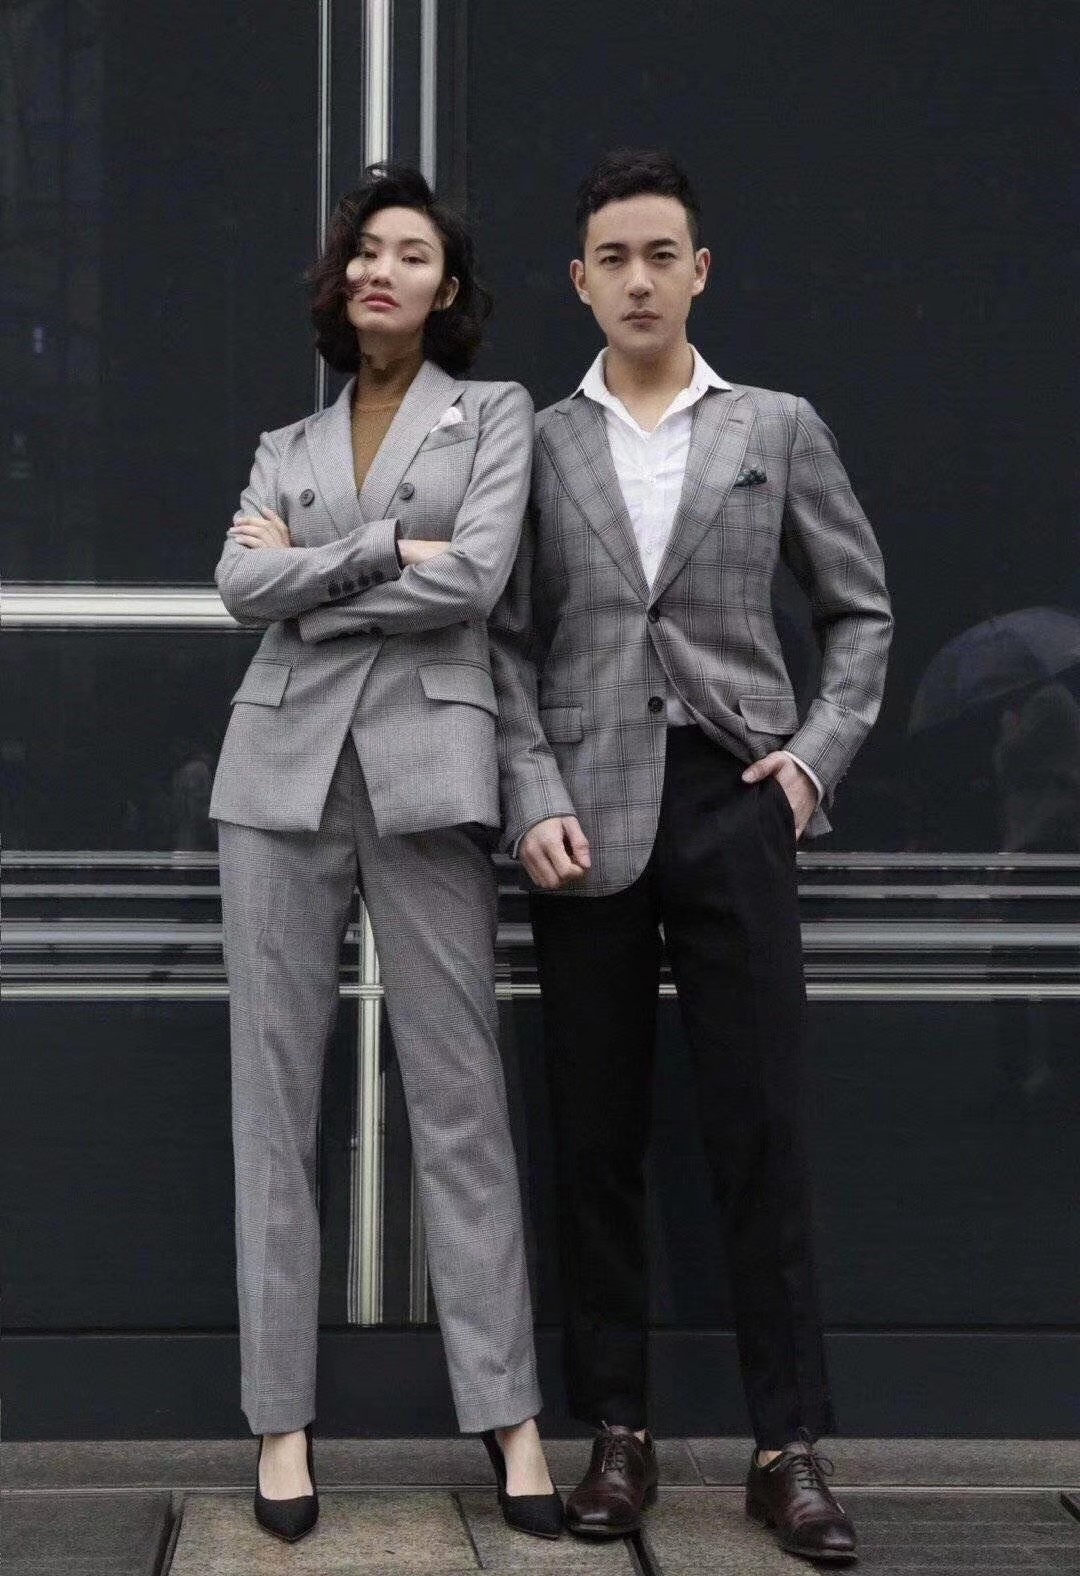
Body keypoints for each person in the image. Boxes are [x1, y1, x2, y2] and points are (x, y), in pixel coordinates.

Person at [489, 148, 893, 1565]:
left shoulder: (776, 426)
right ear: (581, 280)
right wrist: (530, 792)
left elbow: (860, 613)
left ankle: (790, 1448)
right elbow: (505, 641)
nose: (641, 279)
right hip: (586, 818)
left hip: (736, 804)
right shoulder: (539, 443)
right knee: (595, 1133)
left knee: (759, 1126)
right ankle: (618, 1431)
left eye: (664, 254)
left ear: (699, 271)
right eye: (616, 258)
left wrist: (809, 765)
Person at [210, 163, 561, 1544]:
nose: (381, 270)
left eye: (410, 254)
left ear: (446, 289)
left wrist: (313, 574)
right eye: (365, 251)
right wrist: (377, 555)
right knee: (271, 1110)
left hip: (427, 774)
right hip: (276, 778)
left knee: (461, 1102)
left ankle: (511, 1419)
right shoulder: (283, 442)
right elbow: (239, 586)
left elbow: (475, 576)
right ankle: (281, 1425)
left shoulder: (496, 413)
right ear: (339, 281)